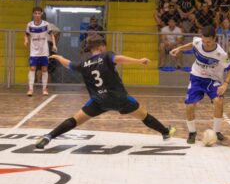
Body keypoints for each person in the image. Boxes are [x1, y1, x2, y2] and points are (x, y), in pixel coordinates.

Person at [35, 35, 176, 149]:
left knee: (74, 120)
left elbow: (69, 64)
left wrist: (58, 57)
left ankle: (48, 136)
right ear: (101, 47)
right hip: (120, 99)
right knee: (144, 115)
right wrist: (139, 61)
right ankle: (165, 132)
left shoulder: (84, 64)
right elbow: (118, 59)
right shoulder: (107, 55)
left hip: (99, 101)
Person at [169, 26, 230, 144]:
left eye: (208, 41)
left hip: (212, 79)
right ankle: (192, 132)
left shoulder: (220, 54)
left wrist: (225, 84)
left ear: (215, 38)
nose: (205, 44)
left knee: (219, 101)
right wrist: (179, 48)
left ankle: (217, 131)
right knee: (189, 106)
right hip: (196, 78)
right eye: (203, 41)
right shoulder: (198, 42)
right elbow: (192, 44)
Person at [24, 7, 57, 96]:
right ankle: (30, 89)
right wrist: (26, 40)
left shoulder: (46, 24)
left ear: (41, 14)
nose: (37, 15)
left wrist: (54, 45)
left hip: (44, 51)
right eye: (35, 13)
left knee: (44, 69)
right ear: (33, 14)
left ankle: (44, 89)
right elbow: (26, 34)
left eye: (39, 13)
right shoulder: (30, 25)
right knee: (32, 68)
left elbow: (52, 35)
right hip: (33, 51)